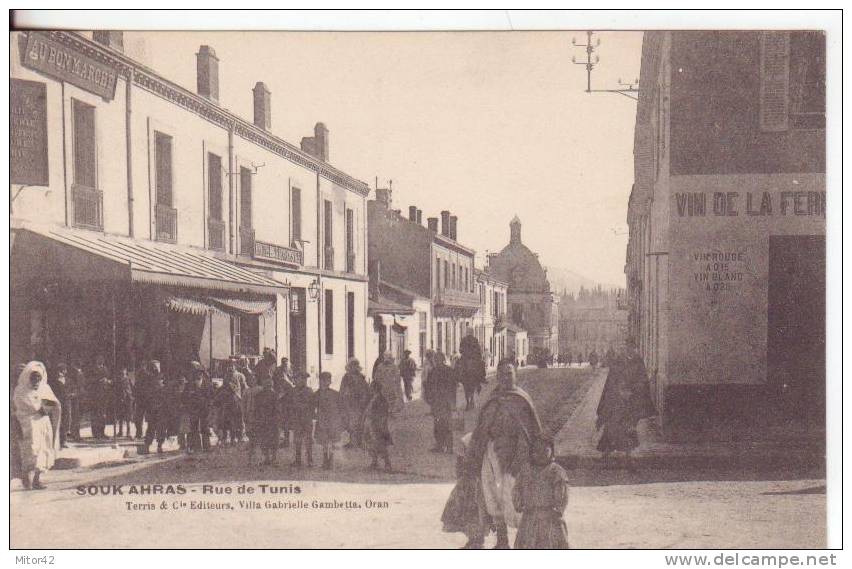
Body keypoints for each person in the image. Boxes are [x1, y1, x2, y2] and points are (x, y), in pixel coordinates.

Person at [465, 359, 543, 549]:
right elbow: (482, 427)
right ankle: (502, 541)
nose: (505, 378)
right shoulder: (492, 399)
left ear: (516, 375)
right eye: (501, 374)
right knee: (492, 497)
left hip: (516, 455)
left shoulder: (522, 399)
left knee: (515, 499)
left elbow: (532, 432)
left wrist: (525, 457)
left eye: (509, 373)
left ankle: (526, 542)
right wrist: (475, 449)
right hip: (491, 454)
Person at [595, 340, 654, 465]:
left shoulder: (638, 361)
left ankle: (628, 456)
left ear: (635, 348)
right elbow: (612, 379)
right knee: (612, 427)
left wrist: (632, 391)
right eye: (627, 347)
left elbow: (642, 380)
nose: (629, 350)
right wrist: (619, 390)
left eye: (631, 348)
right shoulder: (619, 360)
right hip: (618, 400)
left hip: (631, 401)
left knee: (628, 428)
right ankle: (606, 454)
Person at [512, 435, 570, 549]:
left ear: (552, 451)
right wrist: (518, 503)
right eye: (536, 451)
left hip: (550, 517)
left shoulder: (556, 471)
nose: (541, 454)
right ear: (531, 452)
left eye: (545, 450)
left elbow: (562, 493)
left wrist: (559, 509)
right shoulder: (525, 470)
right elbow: (517, 488)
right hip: (529, 517)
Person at [13, 362, 61, 490]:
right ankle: (26, 478)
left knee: (43, 450)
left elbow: (54, 404)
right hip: (28, 424)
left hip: (43, 423)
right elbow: (32, 407)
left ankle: (36, 480)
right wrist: (44, 407)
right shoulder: (20, 390)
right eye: (33, 378)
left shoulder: (45, 388)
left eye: (39, 378)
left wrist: (46, 407)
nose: (36, 381)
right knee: (31, 451)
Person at [441, 432, 482, 548]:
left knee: (472, 512)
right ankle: (474, 539)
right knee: (468, 512)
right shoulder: (469, 439)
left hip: (474, 482)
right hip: (468, 482)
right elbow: (459, 463)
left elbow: (459, 464)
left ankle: (476, 540)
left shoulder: (473, 439)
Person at [429, 352, 457, 454]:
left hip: (442, 402)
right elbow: (430, 387)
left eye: (437, 359)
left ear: (441, 360)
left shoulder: (437, 371)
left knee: (443, 424)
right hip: (442, 402)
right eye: (435, 360)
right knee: (441, 424)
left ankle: (445, 446)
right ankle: (443, 446)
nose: (436, 361)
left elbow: (452, 387)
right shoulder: (443, 371)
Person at [339, 358, 370, 448]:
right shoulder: (346, 377)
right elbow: (342, 389)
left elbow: (365, 390)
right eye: (352, 365)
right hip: (349, 402)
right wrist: (342, 399)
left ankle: (358, 441)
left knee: (359, 422)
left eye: (355, 365)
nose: (354, 367)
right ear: (349, 367)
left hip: (359, 403)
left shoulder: (361, 377)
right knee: (350, 423)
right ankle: (353, 441)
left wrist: (365, 400)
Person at [362, 379, 392, 471]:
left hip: (376, 424)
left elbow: (384, 413)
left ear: (375, 388)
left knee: (379, 443)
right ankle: (374, 462)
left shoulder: (381, 399)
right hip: (370, 423)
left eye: (372, 387)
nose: (370, 389)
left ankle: (387, 463)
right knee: (370, 443)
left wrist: (381, 424)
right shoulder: (373, 398)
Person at [315, 372, 342, 470]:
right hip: (322, 421)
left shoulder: (335, 394)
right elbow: (313, 405)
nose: (325, 382)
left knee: (332, 441)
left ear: (330, 381)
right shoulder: (317, 394)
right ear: (320, 381)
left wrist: (339, 420)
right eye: (323, 380)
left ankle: (330, 460)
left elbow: (340, 407)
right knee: (324, 442)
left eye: (327, 380)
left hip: (332, 421)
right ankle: (325, 461)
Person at [215, 361, 245, 446]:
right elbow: (224, 387)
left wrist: (241, 397)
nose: (231, 367)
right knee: (226, 420)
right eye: (229, 366)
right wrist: (219, 388)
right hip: (227, 402)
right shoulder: (226, 376)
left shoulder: (240, 376)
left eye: (232, 365)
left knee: (236, 420)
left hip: (236, 401)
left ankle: (236, 437)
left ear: (235, 366)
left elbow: (243, 388)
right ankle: (226, 438)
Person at [182, 368, 212, 453]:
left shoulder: (207, 384)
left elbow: (211, 396)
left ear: (202, 374)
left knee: (205, 427)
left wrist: (208, 405)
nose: (199, 375)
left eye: (201, 373)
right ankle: (196, 447)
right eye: (197, 373)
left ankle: (206, 446)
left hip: (204, 410)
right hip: (193, 410)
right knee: (194, 428)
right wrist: (188, 406)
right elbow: (184, 397)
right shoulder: (189, 385)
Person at [290, 371, 316, 467]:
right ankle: (298, 460)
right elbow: (290, 404)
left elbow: (312, 404)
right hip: (297, 419)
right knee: (297, 440)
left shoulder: (309, 391)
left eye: (304, 379)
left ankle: (310, 460)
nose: (302, 381)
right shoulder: (293, 391)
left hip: (306, 418)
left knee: (308, 440)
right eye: (299, 379)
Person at [253, 376, 281, 466]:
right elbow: (256, 409)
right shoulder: (258, 396)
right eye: (266, 383)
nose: (268, 386)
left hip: (273, 421)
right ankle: (266, 458)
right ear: (263, 384)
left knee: (274, 440)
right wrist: (256, 419)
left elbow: (278, 409)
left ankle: (274, 458)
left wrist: (277, 419)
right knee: (263, 440)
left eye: (269, 384)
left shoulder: (275, 395)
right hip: (262, 421)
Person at [374, 351, 404, 416]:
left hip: (389, 387)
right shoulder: (381, 367)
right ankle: (389, 411)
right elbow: (377, 377)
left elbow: (397, 378)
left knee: (391, 399)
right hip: (385, 387)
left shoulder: (393, 367)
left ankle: (390, 411)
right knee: (387, 399)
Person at [47, 363, 69, 448]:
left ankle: (63, 440)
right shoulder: (53, 381)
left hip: (65, 402)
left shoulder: (67, 379)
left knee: (65, 421)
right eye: (63, 370)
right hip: (57, 403)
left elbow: (69, 388)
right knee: (57, 421)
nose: (64, 372)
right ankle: (57, 441)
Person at [88, 363, 112, 439]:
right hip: (95, 397)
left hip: (104, 395)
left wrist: (108, 381)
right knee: (95, 415)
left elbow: (109, 380)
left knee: (103, 415)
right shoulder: (92, 370)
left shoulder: (105, 369)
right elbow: (89, 381)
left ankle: (102, 432)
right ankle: (96, 433)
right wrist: (99, 380)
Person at [112, 367, 135, 438]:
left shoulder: (129, 379)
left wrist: (131, 396)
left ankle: (128, 432)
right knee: (120, 416)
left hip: (128, 399)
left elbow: (132, 388)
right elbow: (116, 389)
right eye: (121, 372)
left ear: (125, 372)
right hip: (120, 399)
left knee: (128, 417)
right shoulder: (118, 380)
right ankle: (120, 431)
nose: (122, 373)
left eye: (123, 372)